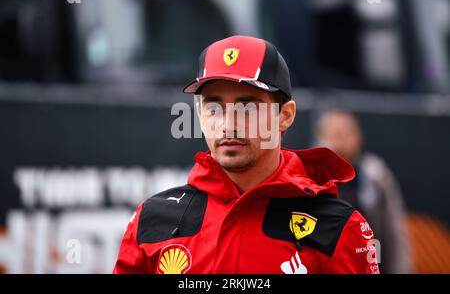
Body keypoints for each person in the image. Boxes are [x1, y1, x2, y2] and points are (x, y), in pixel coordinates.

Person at [113, 35, 379, 274]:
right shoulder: (151, 220)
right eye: (214, 107)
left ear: (284, 116)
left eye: (248, 107)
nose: (228, 124)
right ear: (199, 116)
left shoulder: (339, 228)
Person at [314, 109, 411, 274]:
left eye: (345, 134)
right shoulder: (309, 179)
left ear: (359, 137)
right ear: (318, 139)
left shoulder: (376, 176)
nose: (340, 143)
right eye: (333, 135)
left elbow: (394, 234)